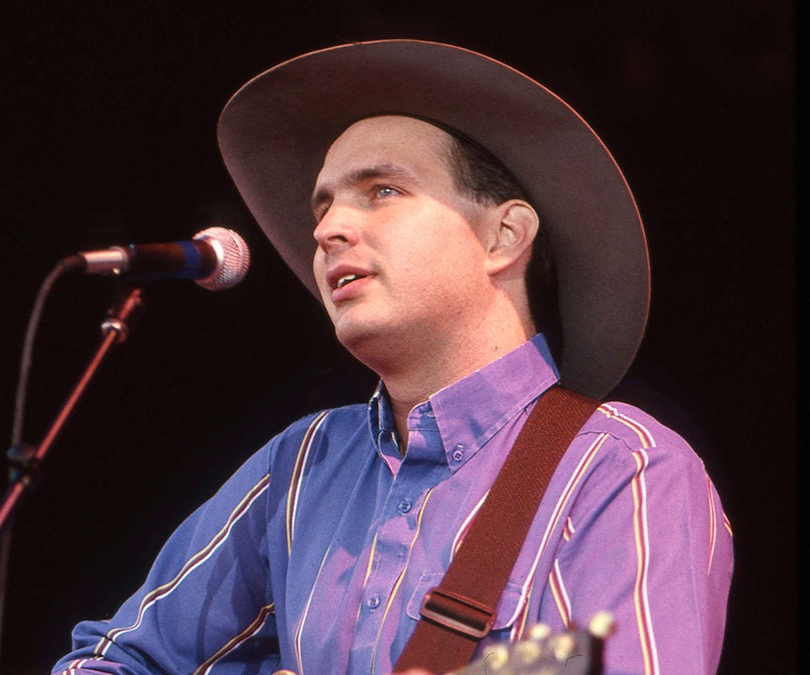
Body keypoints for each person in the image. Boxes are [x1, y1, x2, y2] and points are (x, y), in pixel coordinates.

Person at [51, 40, 732, 675]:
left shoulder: (625, 470)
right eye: (323, 207)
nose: (326, 229)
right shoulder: (299, 468)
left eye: (383, 190)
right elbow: (109, 660)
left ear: (504, 236)